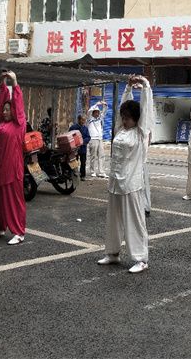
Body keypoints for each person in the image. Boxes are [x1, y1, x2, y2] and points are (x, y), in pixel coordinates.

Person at [97, 75, 155, 272]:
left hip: (132, 184)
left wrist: (145, 86)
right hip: (115, 183)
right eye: (123, 117)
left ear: (137, 119)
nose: (124, 120)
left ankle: (141, 259)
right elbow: (121, 108)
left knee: (134, 221)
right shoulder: (120, 129)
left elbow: (146, 109)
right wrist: (128, 88)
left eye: (128, 117)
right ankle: (112, 253)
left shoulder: (140, 132)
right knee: (113, 220)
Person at [0, 70, 26, 245]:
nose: (6, 111)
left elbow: (18, 103)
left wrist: (14, 82)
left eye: (9, 109)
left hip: (12, 168)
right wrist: (2, 84)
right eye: (5, 109)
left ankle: (19, 232)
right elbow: (1, 101)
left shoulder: (19, 123)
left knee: (13, 200)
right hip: (0, 167)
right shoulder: (2, 123)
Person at [87, 99, 108, 178]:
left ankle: (101, 172)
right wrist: (96, 104)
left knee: (101, 155)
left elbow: (105, 111)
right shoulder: (90, 118)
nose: (97, 113)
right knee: (93, 156)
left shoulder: (100, 118)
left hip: (100, 139)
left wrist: (104, 104)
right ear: (93, 113)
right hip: (93, 139)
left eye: (98, 112)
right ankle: (92, 171)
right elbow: (89, 111)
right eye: (95, 112)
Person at [69, 115, 91, 181]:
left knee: (83, 162)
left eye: (84, 120)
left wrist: (82, 141)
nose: (83, 121)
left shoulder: (85, 128)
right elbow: (69, 136)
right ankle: (73, 175)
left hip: (83, 148)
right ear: (78, 120)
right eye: (82, 120)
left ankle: (82, 175)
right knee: (74, 162)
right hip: (75, 148)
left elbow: (88, 137)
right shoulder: (73, 127)